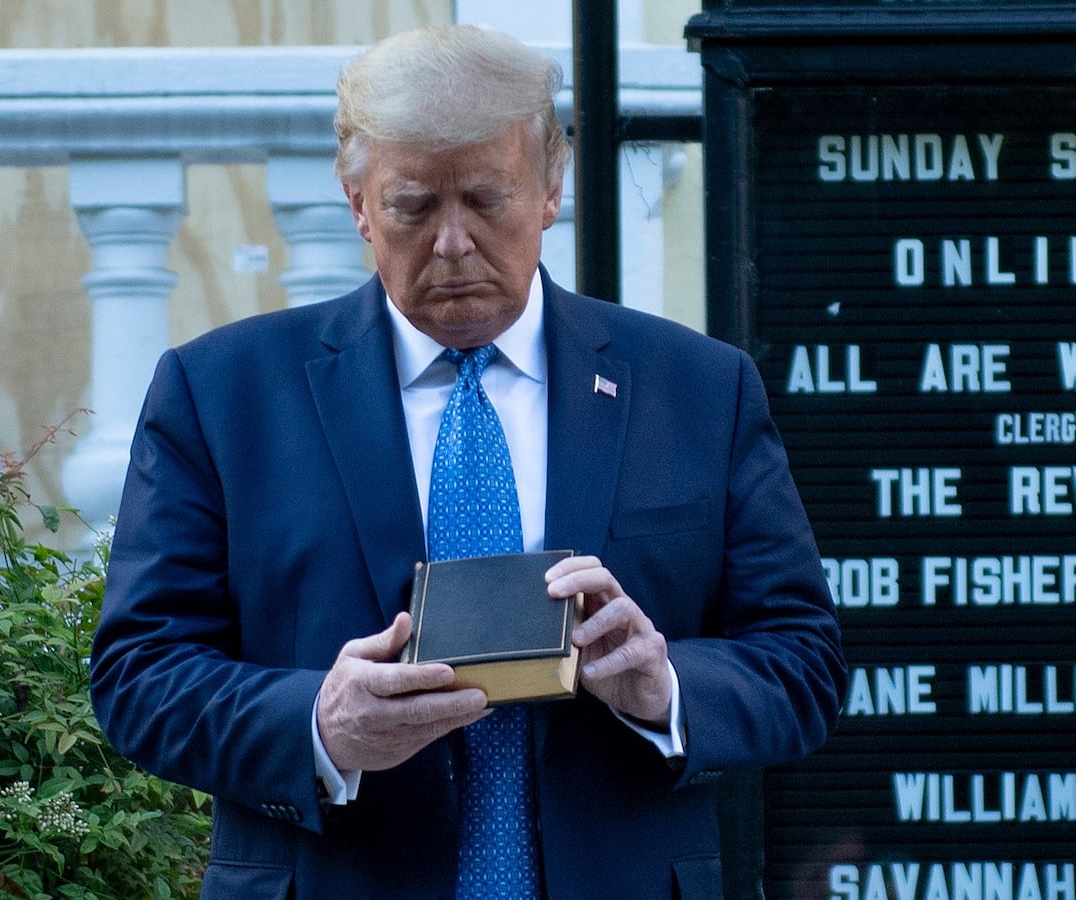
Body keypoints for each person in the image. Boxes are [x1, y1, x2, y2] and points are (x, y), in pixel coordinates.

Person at [89, 23, 846, 900]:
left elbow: (802, 663)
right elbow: (140, 672)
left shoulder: (697, 389)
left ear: (551, 188)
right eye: (414, 206)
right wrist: (319, 727)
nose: (452, 243)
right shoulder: (221, 395)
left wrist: (663, 683)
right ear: (357, 201)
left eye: (487, 200)